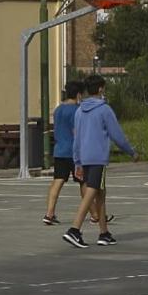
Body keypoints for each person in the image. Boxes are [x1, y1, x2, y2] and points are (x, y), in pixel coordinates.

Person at [64, 75, 139, 248]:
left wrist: (77, 161)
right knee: (92, 192)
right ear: (100, 89)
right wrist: (131, 151)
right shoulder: (104, 109)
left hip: (84, 157)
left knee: (100, 194)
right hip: (97, 158)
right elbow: (117, 135)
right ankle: (74, 230)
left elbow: (76, 138)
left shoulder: (79, 110)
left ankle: (104, 233)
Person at [43, 80, 84, 225]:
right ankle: (95, 214)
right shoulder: (77, 110)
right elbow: (76, 131)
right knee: (84, 183)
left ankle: (49, 213)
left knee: (57, 181)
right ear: (78, 94)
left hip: (59, 150)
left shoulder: (58, 109)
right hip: (74, 152)